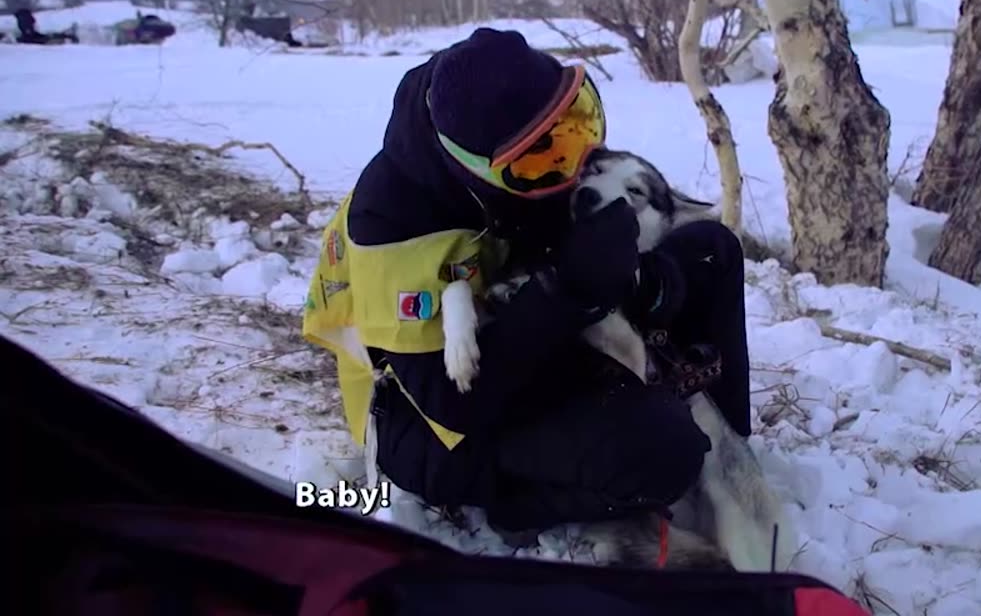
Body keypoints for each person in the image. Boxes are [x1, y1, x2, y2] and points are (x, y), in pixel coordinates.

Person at [302, 28, 752, 547]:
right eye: (542, 154)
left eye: (575, 122)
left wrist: (647, 282)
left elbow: (599, 262)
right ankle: (518, 507)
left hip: (527, 330)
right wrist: (570, 292)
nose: (571, 160)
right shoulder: (391, 220)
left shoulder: (525, 151)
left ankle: (735, 452)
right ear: (475, 169)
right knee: (663, 450)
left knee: (708, 248)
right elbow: (454, 403)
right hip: (427, 423)